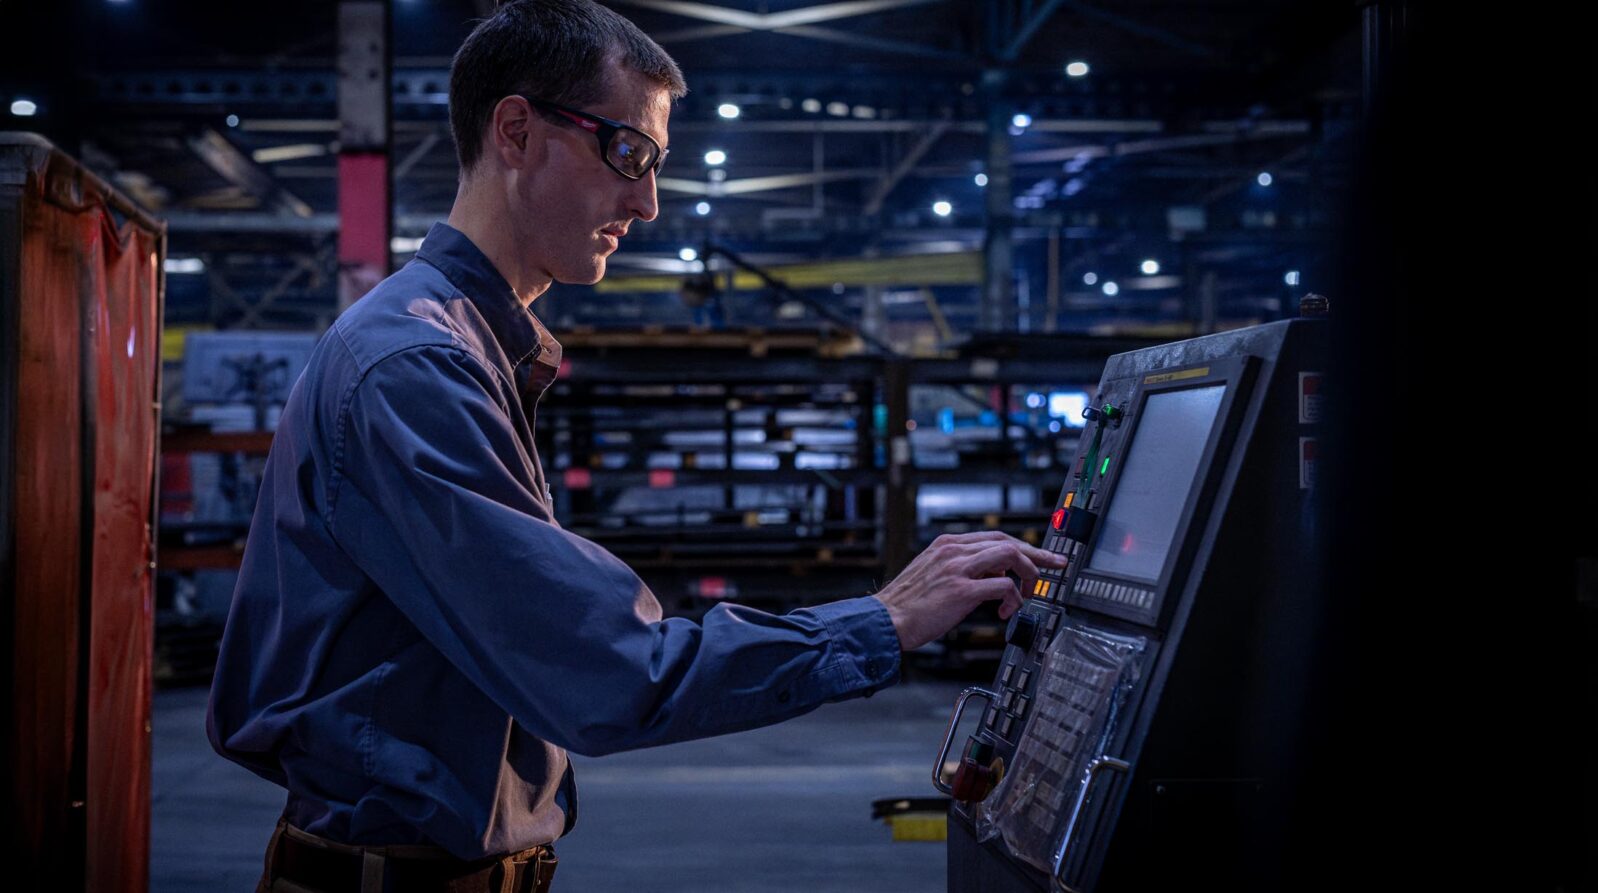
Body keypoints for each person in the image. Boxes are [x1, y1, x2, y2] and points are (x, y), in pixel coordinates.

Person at [207, 2, 1068, 891]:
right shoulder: (415, 367)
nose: (647, 203)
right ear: (516, 130)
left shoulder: (460, 349)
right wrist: (880, 620)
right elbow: (608, 672)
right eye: (630, 154)